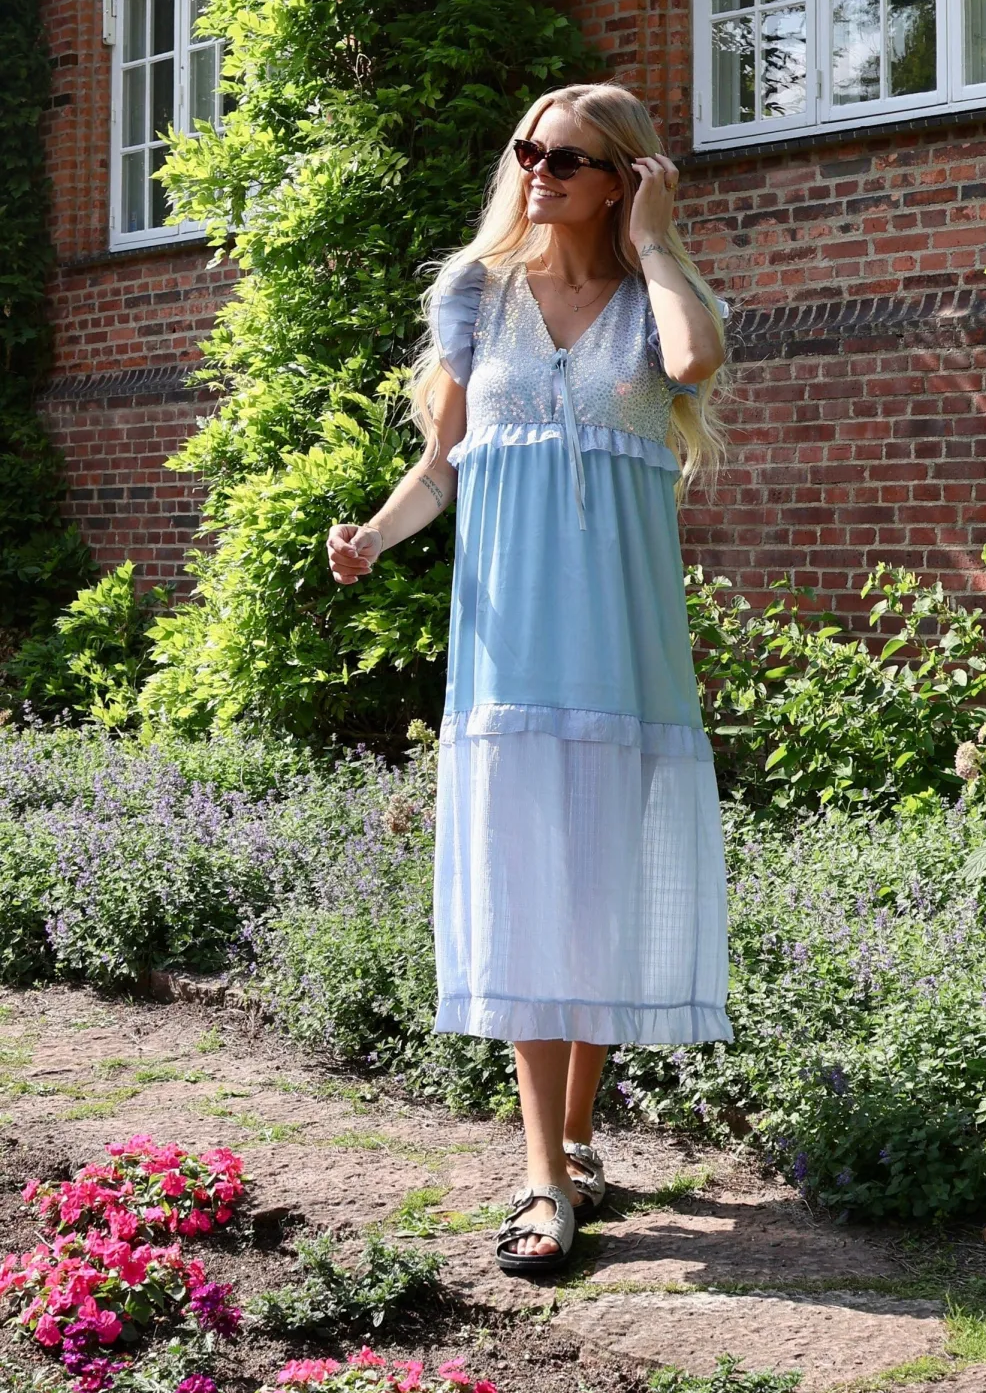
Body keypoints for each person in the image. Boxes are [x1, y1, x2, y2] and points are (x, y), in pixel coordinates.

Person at [327, 81, 734, 1276]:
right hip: (509, 647)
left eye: (565, 158)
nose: (536, 172)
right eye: (528, 152)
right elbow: (441, 462)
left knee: (597, 894)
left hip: (622, 647)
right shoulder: (477, 293)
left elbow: (693, 360)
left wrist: (654, 242)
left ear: (621, 179)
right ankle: (543, 1176)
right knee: (523, 890)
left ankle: (577, 1138)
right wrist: (372, 535)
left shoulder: (655, 301)